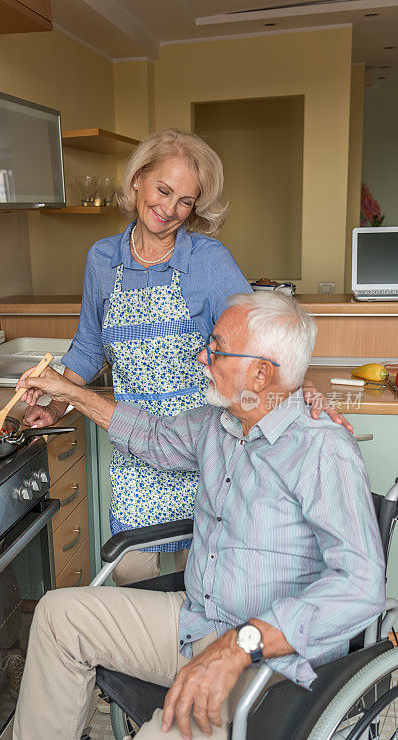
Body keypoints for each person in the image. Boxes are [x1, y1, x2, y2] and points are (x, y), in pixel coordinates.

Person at [11, 292, 385, 740]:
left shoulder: (323, 450)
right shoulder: (222, 424)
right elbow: (151, 434)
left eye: (216, 348)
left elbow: (362, 585)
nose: (201, 358)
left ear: (260, 374)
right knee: (59, 616)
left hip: (269, 668)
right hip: (198, 621)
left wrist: (242, 643)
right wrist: (65, 391)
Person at [21, 128, 350, 587]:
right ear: (137, 179)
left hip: (206, 442)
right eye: (163, 190)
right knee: (134, 578)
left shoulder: (209, 260)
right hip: (133, 442)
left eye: (186, 201)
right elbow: (90, 345)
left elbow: (259, 339)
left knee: (209, 582)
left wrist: (303, 392)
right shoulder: (102, 260)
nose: (170, 210)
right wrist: (55, 403)